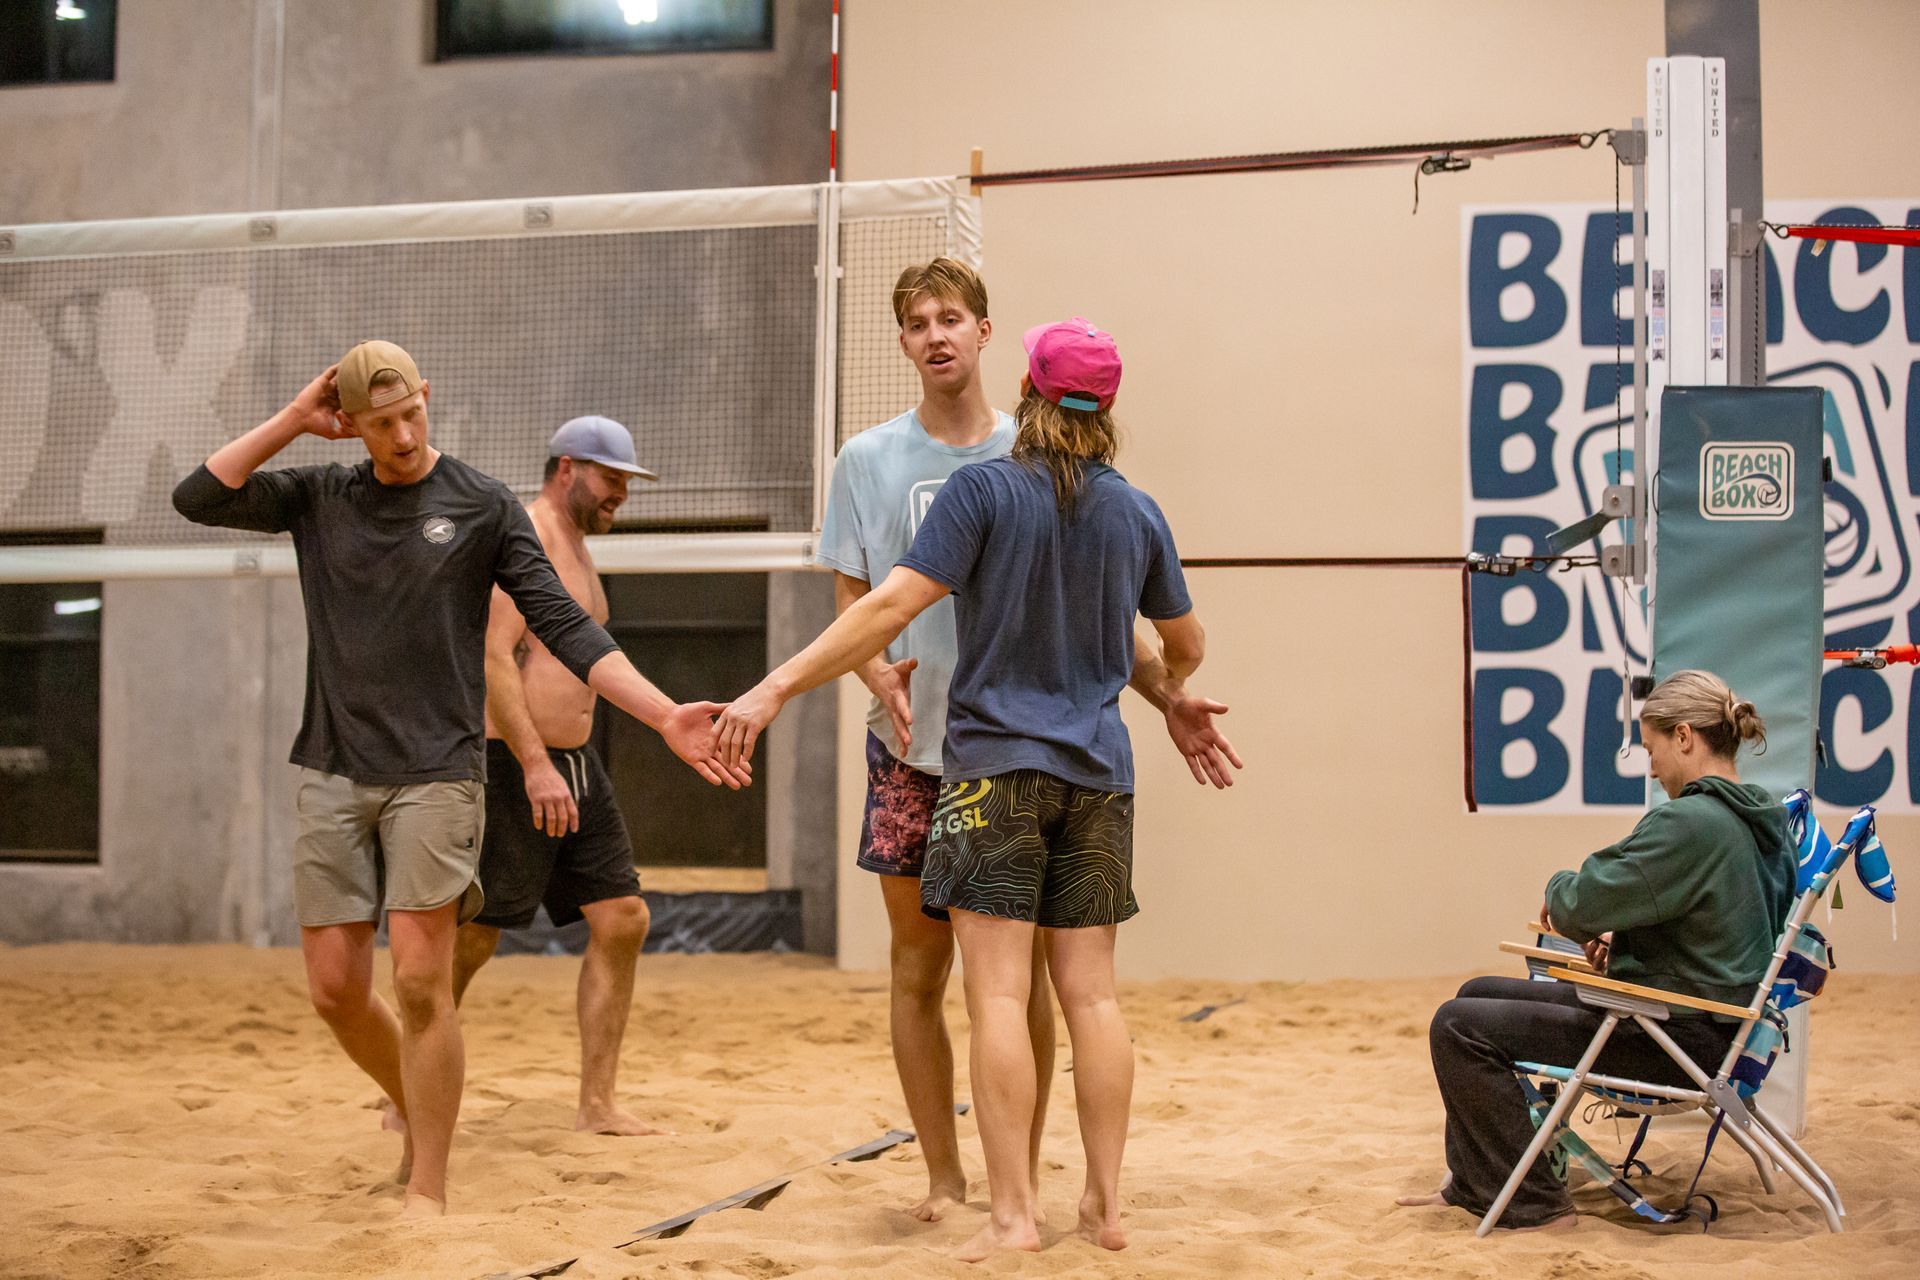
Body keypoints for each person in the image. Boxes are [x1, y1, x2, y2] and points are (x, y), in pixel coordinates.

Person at [171, 345, 749, 1217]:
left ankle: (429, 1184)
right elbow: (198, 497)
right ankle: (412, 1096)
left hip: (439, 773)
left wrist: (663, 712)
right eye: (381, 423)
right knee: (334, 988)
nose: (402, 436)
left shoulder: (480, 506)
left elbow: (561, 623)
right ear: (352, 424)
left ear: (428, 400)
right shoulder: (321, 496)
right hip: (333, 766)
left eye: (412, 415)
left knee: (419, 980)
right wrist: (293, 419)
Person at [715, 317, 1220, 1260]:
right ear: (1108, 407)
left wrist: (775, 684)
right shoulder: (1134, 510)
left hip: (992, 772)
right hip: (1100, 776)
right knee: (1094, 1000)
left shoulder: (981, 490)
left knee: (993, 999)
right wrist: (1171, 692)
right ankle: (1105, 1210)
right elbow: (1184, 646)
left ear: (1028, 390)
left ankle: (1014, 1216)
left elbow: (889, 608)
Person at [1399, 669, 1795, 1230]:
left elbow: (1577, 903)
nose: (1652, 767)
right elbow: (1721, 929)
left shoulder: (1692, 823)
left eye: (1653, 748)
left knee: (1457, 1025)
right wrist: (1630, 937)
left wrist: (1563, 890)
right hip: (1712, 1028)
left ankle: (1533, 1205)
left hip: (1670, 1037)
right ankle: (1475, 1184)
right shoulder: (1760, 823)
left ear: (1684, 736)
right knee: (1476, 993)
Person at [449, 416, 668, 1137]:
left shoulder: (578, 544)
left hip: (576, 764)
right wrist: (534, 763)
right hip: (517, 763)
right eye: (612, 482)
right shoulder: (529, 536)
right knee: (478, 933)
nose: (620, 498)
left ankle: (597, 1102)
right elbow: (493, 657)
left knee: (623, 918)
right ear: (568, 468)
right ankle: (405, 1078)